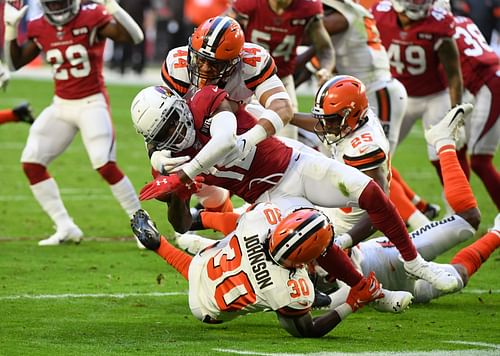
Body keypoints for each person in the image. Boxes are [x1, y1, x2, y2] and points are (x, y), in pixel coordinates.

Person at [130, 83, 460, 293]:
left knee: (370, 191)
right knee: (314, 239)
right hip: (267, 198)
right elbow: (181, 223)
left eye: (174, 120)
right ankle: (368, 292)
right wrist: (174, 196)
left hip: (292, 164)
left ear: (178, 106)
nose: (174, 132)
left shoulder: (203, 102)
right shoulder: (167, 160)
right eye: (164, 132)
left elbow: (225, 139)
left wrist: (185, 174)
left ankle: (415, 261)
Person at [175, 102, 500, 306]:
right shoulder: (303, 283)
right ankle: (495, 232)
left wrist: (197, 230)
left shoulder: (364, 146)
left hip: (374, 251)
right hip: (372, 259)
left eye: (331, 121)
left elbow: (377, 206)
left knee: (463, 221)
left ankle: (441, 148)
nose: (324, 126)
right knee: (454, 268)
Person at [131, 205, 413, 335]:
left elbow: (231, 221)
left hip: (208, 263)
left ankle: (165, 244)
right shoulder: (292, 291)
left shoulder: (262, 220)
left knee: (232, 240)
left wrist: (197, 218)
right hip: (210, 311)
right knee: (315, 299)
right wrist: (352, 304)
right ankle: (169, 244)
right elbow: (307, 331)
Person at [3, 0, 144, 246]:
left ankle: (142, 225)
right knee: (32, 162)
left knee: (104, 164)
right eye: (51, 3)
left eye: (60, 2)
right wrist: (11, 29)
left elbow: (135, 37)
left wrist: (112, 6)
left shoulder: (91, 15)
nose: (56, 8)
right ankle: (65, 226)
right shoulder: (39, 24)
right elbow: (14, 63)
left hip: (92, 103)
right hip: (61, 104)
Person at [157, 15, 294, 213]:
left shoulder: (251, 62)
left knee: (275, 171)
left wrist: (248, 140)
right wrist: (156, 155)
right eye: (200, 59)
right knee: (187, 187)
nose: (204, 68)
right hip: (192, 128)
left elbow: (283, 107)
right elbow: (159, 117)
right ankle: (211, 215)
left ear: (234, 62)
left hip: (241, 120)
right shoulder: (177, 65)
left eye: (214, 64)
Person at [371, 0, 467, 183]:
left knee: (441, 157)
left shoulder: (438, 23)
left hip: (435, 96)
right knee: (376, 154)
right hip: (398, 96)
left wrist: (456, 114)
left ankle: (457, 208)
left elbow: (454, 75)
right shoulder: (380, 14)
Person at [226, 0, 335, 140]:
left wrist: (325, 69)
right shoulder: (249, 4)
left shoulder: (307, 7)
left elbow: (325, 48)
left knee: (288, 140)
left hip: (281, 80)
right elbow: (223, 34)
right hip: (245, 78)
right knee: (238, 135)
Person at [435, 0, 499, 210]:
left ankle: (464, 209)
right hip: (486, 83)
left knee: (480, 161)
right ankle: (462, 209)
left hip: (489, 86)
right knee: (459, 144)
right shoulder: (463, 20)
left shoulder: (438, 28)